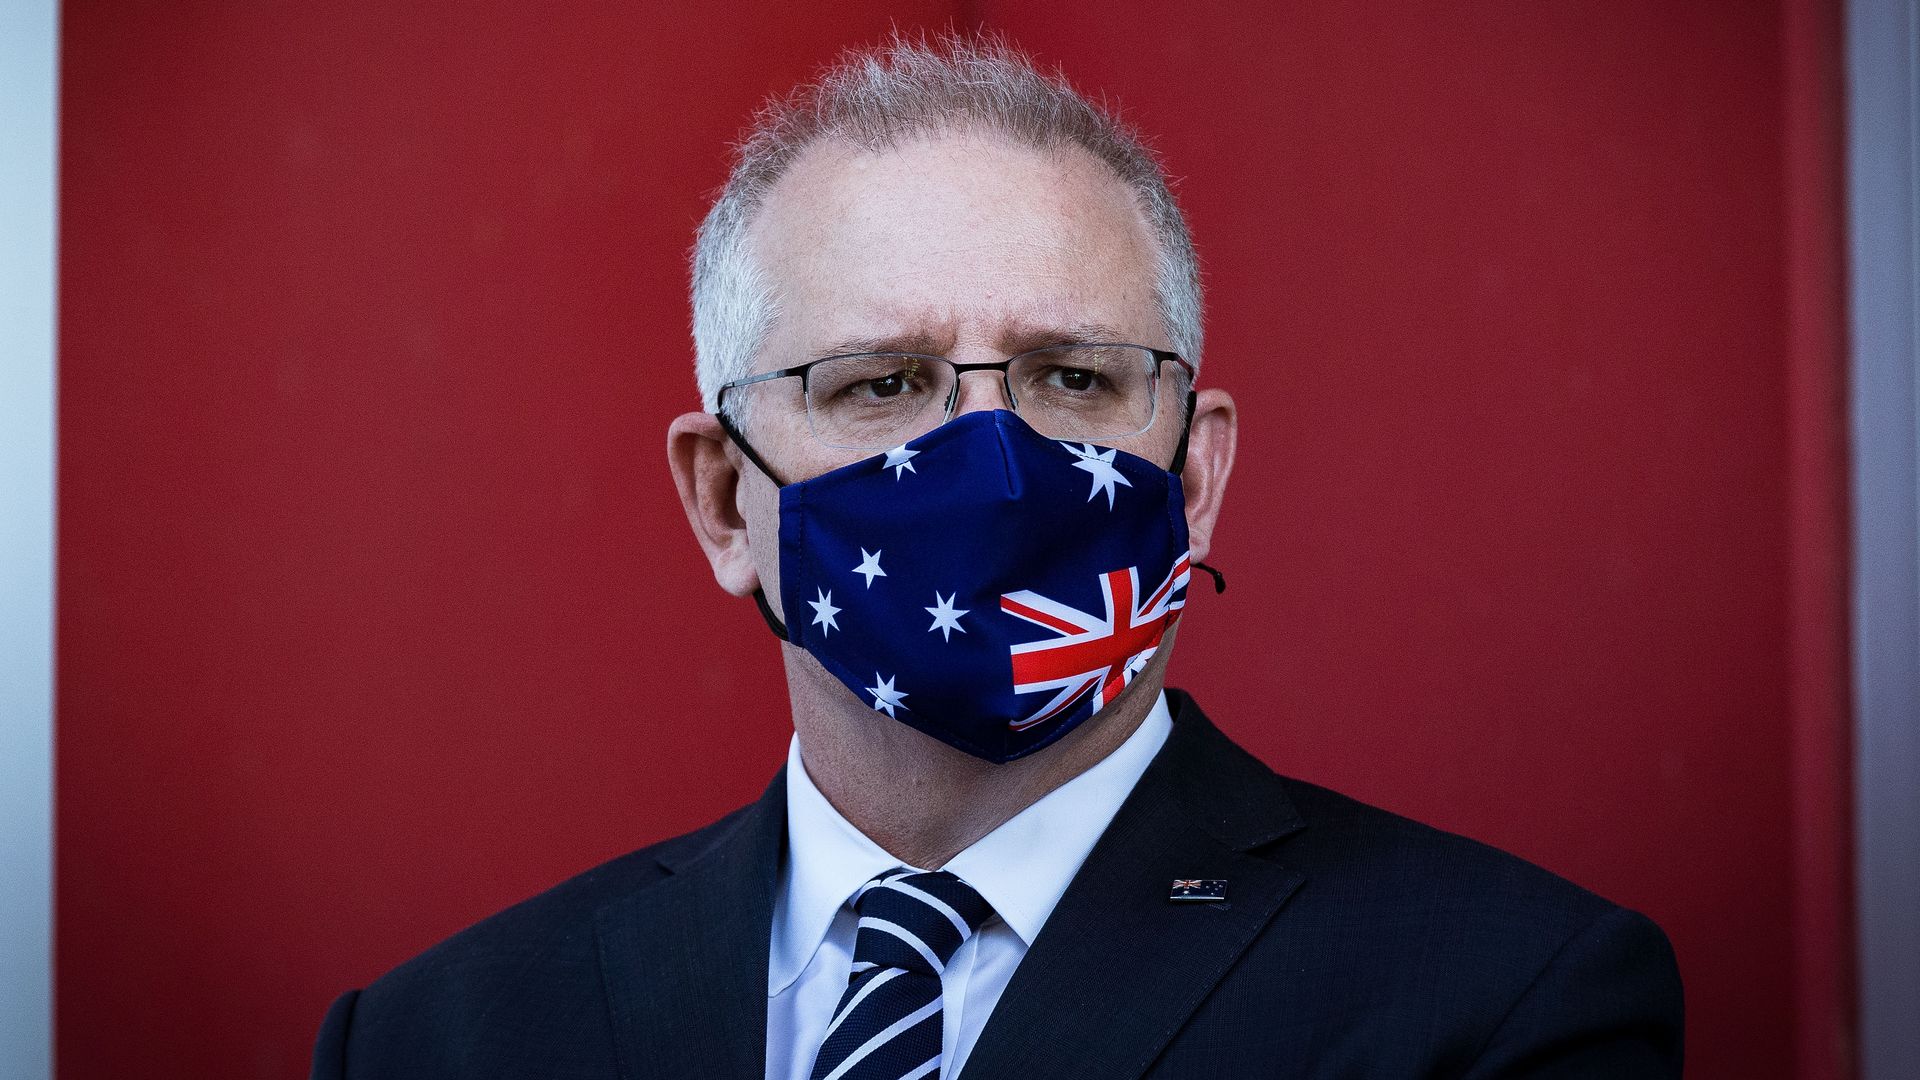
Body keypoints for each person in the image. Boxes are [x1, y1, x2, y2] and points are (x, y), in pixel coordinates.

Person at [312, 35, 1682, 1080]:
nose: (990, 458)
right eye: (881, 384)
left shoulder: (1505, 1001)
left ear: (1194, 477)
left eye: (1076, 379)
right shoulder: (441, 1038)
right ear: (726, 499)